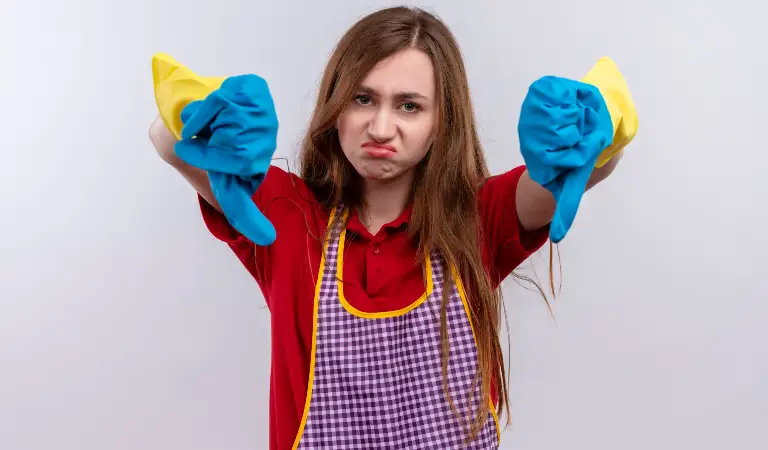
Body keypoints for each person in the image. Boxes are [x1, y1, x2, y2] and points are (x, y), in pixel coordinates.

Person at [149, 6, 622, 449]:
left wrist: (595, 131)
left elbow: (588, 167)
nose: (380, 127)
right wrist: (215, 119)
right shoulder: (288, 215)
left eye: (409, 106)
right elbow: (165, 139)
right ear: (336, 107)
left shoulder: (480, 214)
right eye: (362, 98)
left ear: (442, 122)